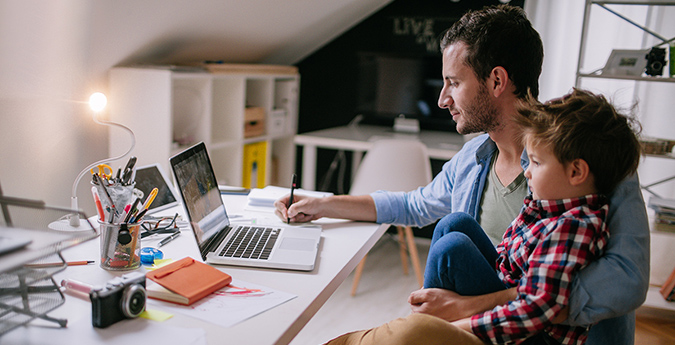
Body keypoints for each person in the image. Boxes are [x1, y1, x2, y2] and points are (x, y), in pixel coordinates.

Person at [274, 5, 649, 344]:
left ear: (497, 81)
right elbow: (413, 204)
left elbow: (627, 280)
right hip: (496, 318)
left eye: (454, 82)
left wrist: (469, 307)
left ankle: (423, 333)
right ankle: (424, 332)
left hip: (553, 332)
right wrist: (324, 204)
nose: (442, 98)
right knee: (451, 229)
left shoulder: (588, 153)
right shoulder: (475, 156)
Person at [405, 88, 641, 345]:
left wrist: (459, 326)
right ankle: (426, 325)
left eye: (537, 163)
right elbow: (507, 256)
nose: (527, 172)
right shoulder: (547, 206)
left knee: (453, 247)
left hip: (535, 333)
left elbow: (533, 309)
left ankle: (426, 332)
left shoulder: (572, 227)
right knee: (454, 223)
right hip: (513, 297)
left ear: (576, 172)